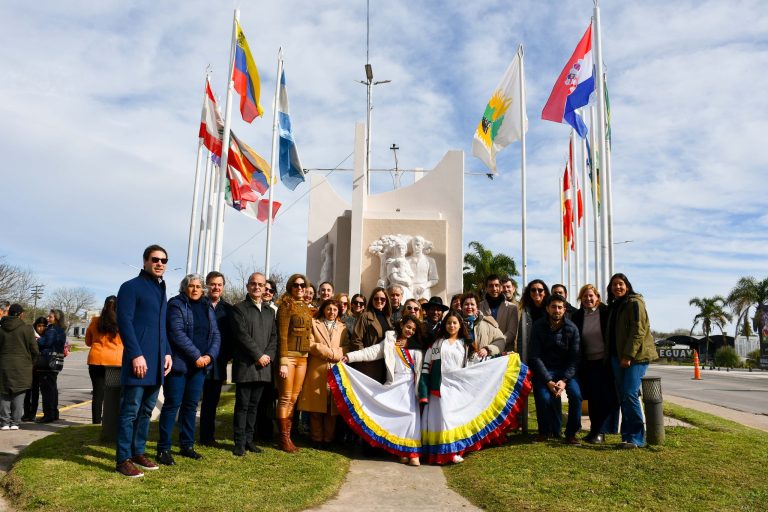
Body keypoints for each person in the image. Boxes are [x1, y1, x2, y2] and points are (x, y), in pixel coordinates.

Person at [419, 311, 531, 464]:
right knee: (443, 419)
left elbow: (477, 361)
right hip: (439, 387)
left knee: (454, 421)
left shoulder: (465, 344)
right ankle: (444, 452)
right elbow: (426, 368)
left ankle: (453, 451)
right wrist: (424, 391)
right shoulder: (437, 344)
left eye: (455, 323)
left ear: (460, 326)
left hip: (457, 386)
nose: (452, 325)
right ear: (445, 325)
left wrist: (502, 357)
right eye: (449, 323)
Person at [115, 244, 173, 478]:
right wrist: (136, 354)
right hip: (138, 361)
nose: (160, 263)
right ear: (145, 261)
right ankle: (122, 459)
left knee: (147, 410)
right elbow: (125, 323)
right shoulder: (130, 287)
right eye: (155, 259)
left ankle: (138, 452)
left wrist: (167, 352)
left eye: (164, 260)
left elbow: (162, 327)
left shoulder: (161, 290)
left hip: (157, 362)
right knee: (130, 411)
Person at [338, 314, 425, 466]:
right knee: (398, 419)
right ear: (401, 325)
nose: (410, 331)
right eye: (408, 327)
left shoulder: (418, 346)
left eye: (413, 329)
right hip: (395, 385)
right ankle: (401, 451)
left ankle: (413, 453)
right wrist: (349, 357)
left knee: (412, 417)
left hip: (411, 386)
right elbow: (371, 351)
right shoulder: (391, 341)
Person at [157, 274, 221, 465]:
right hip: (180, 365)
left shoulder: (207, 306)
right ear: (185, 288)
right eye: (191, 286)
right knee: (172, 405)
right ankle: (163, 449)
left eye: (198, 286)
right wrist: (197, 356)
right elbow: (176, 333)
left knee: (191, 406)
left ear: (203, 289)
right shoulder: (176, 304)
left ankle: (187, 445)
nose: (195, 289)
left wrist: (209, 356)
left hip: (200, 366)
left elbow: (216, 334)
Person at [606, 273, 658, 449]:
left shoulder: (635, 303)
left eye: (620, 284)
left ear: (627, 286)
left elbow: (638, 331)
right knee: (625, 397)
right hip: (616, 357)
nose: (617, 288)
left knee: (630, 393)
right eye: (614, 285)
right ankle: (627, 436)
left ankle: (637, 437)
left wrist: (628, 356)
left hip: (635, 358)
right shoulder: (615, 306)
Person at [230, 272, 277, 456]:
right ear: (248, 286)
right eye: (253, 284)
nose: (257, 287)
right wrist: (258, 355)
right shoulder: (239, 309)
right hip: (246, 365)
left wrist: (268, 356)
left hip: (263, 367)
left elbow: (274, 337)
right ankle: (239, 442)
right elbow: (241, 336)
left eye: (260, 284)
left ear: (265, 287)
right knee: (242, 405)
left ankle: (250, 440)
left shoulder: (269, 311)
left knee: (254, 406)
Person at [529, 294, 582, 445]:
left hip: (566, 371)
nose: (556, 310)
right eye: (553, 307)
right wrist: (548, 380)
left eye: (560, 307)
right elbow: (535, 356)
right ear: (547, 308)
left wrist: (564, 380)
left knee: (576, 395)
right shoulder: (538, 326)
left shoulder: (572, 329)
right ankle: (544, 432)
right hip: (545, 370)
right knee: (543, 398)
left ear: (565, 309)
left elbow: (575, 358)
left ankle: (571, 434)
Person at [298, 299, 347, 448]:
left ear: (338, 311)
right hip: (317, 369)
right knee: (316, 407)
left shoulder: (343, 327)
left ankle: (328, 439)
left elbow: (347, 347)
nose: (331, 312)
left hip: (335, 370)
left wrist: (335, 354)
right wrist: (328, 352)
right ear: (324, 309)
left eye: (335, 309)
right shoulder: (314, 323)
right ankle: (316, 438)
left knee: (332, 408)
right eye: (329, 309)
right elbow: (310, 343)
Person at [572, 284, 616, 444]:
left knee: (602, 398)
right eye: (584, 296)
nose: (588, 299)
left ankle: (600, 432)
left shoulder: (605, 313)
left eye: (591, 296)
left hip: (603, 362)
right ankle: (593, 430)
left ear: (597, 297)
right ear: (580, 298)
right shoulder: (577, 316)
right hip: (586, 362)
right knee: (591, 398)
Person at [275, 273, 314, 453]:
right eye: (296, 285)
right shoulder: (285, 306)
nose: (300, 288)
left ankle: (288, 437)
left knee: (294, 398)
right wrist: (282, 360)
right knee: (285, 397)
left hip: (303, 358)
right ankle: (283, 439)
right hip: (288, 357)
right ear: (290, 287)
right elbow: (282, 335)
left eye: (302, 285)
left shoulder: (306, 307)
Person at [199, 271, 234, 447]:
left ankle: (207, 437)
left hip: (218, 364)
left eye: (219, 284)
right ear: (207, 285)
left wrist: (225, 357)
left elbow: (231, 337)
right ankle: (186, 434)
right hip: (197, 361)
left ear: (223, 287)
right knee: (190, 401)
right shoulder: (197, 305)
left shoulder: (228, 310)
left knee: (211, 402)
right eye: (213, 284)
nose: (216, 287)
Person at [84, 296, 123, 424]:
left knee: (98, 393)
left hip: (96, 360)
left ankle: (96, 421)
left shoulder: (95, 321)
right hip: (115, 362)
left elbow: (88, 342)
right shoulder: (122, 321)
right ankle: (111, 420)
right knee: (114, 393)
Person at [0, 304, 39, 431]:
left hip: (3, 365)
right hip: (22, 366)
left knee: (4, 393)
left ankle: (4, 422)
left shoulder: (1, 328)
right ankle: (15, 422)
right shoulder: (27, 329)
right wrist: (31, 363)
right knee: (18, 393)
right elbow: (34, 350)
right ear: (20, 314)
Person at [350, 287, 393, 384]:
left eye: (382, 299)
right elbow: (356, 340)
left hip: (385, 364)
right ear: (371, 300)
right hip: (369, 365)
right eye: (376, 298)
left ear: (386, 301)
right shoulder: (365, 316)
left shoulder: (388, 318)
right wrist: (364, 360)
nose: (379, 301)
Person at [34, 309, 67, 423]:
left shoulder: (52, 330)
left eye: (50, 317)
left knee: (47, 390)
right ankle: (54, 413)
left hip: (47, 363)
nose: (48, 319)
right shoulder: (61, 330)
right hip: (55, 362)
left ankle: (48, 415)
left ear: (56, 318)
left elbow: (45, 343)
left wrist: (37, 340)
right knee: (53, 389)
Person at [461, 293, 507, 362]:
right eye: (466, 304)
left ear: (477, 307)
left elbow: (501, 340)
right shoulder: (455, 324)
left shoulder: (487, 324)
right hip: (460, 366)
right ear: (462, 307)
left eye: (472, 304)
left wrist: (487, 349)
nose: (469, 307)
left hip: (482, 366)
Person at [478, 274, 519, 351]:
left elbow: (511, 333)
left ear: (501, 287)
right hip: (483, 352)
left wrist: (495, 346)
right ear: (486, 288)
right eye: (490, 286)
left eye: (497, 285)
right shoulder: (479, 306)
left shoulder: (512, 308)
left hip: (505, 352)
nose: (494, 288)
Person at [22, 317, 47, 421]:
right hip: (29, 366)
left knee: (35, 392)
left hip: (39, 368)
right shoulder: (30, 335)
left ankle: (33, 413)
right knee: (27, 391)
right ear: (35, 325)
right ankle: (26, 412)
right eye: (39, 326)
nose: (41, 328)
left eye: (43, 326)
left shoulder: (45, 337)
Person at [518, 280, 550, 360]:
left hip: (548, 355)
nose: (536, 292)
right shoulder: (524, 311)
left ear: (545, 292)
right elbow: (521, 337)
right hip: (530, 354)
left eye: (540, 290)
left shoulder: (551, 310)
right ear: (529, 292)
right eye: (533, 290)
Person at [407, 235, 438, 300]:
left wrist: (424, 286)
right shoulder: (407, 260)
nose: (415, 247)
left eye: (418, 245)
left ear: (423, 245)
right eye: (414, 245)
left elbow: (434, 279)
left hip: (424, 291)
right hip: (410, 290)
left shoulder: (430, 260)